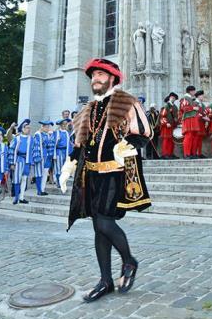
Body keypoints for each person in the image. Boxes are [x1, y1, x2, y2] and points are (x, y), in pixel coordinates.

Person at [60, 57, 152, 302]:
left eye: (100, 74)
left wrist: (127, 145)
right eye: (93, 76)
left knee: (104, 223)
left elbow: (144, 132)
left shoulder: (126, 102)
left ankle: (129, 261)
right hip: (91, 174)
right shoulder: (89, 108)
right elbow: (81, 142)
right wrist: (69, 164)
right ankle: (105, 281)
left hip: (115, 173)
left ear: (112, 77)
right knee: (98, 228)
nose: (95, 79)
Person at [8, 119, 34, 204]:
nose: (28, 129)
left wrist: (32, 162)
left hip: (27, 161)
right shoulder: (17, 138)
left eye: (29, 128)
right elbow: (11, 150)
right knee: (16, 179)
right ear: (22, 128)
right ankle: (16, 197)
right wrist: (12, 163)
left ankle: (21, 197)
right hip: (18, 160)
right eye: (26, 128)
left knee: (24, 179)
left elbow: (33, 151)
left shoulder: (32, 139)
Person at [32, 121, 55, 196]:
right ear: (42, 127)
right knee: (39, 173)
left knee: (45, 173)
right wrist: (37, 157)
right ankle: (39, 190)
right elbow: (36, 145)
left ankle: (42, 189)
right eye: (46, 127)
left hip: (47, 156)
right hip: (40, 155)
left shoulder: (48, 134)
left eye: (48, 127)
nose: (48, 128)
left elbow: (51, 144)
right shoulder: (37, 134)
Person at [179, 86, 199, 159]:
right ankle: (186, 154)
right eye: (194, 91)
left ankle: (192, 153)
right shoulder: (185, 98)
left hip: (193, 119)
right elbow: (183, 108)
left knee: (193, 136)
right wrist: (193, 108)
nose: (194, 93)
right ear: (190, 91)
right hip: (188, 119)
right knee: (189, 135)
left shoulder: (191, 99)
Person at [53, 119, 73, 187]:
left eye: (65, 124)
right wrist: (54, 155)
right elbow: (54, 144)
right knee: (58, 168)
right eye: (63, 124)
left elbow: (69, 143)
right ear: (61, 125)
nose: (65, 126)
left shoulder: (67, 133)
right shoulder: (57, 132)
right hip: (59, 151)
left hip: (66, 152)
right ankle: (58, 182)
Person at [160, 93, 179, 159]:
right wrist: (166, 123)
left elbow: (176, 116)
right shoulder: (166, 106)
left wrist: (177, 123)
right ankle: (165, 154)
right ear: (169, 98)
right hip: (167, 126)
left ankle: (170, 153)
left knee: (172, 140)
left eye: (174, 98)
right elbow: (162, 116)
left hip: (173, 126)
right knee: (166, 140)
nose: (173, 99)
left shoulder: (175, 107)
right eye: (172, 97)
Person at [0, 126, 9, 212]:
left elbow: (6, 159)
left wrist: (6, 170)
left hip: (0, 170)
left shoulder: (4, 146)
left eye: (1, 135)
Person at [194, 90, 209, 158]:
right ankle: (195, 153)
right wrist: (203, 117)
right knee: (196, 138)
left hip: (201, 123)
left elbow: (204, 112)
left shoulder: (202, 104)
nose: (203, 97)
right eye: (202, 95)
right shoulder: (194, 103)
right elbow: (194, 113)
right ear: (199, 96)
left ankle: (199, 153)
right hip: (196, 123)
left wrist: (206, 117)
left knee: (200, 139)